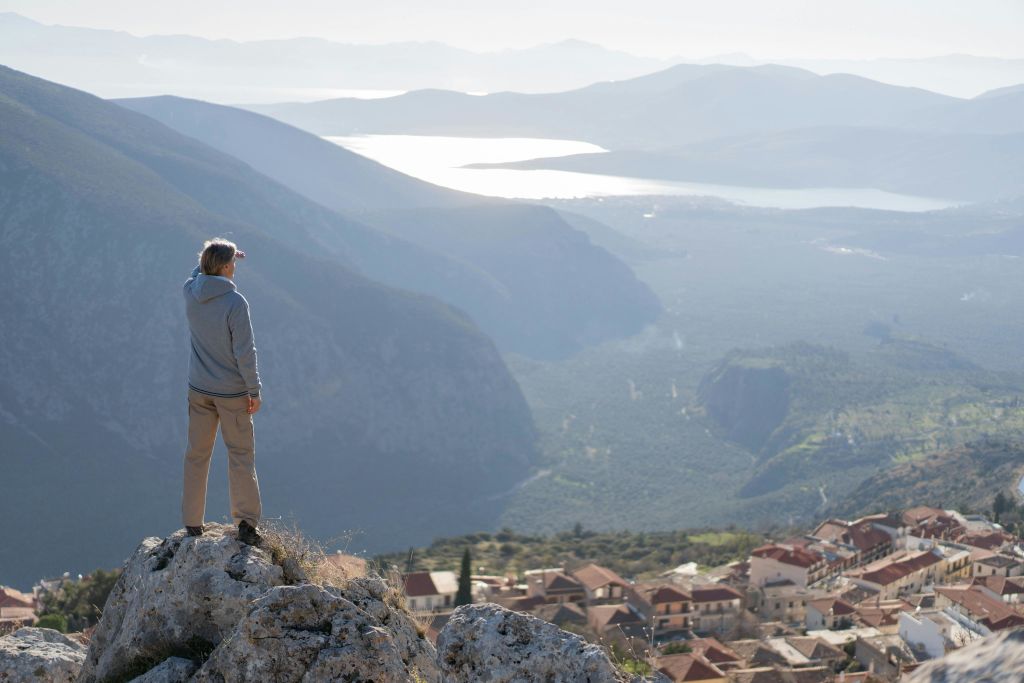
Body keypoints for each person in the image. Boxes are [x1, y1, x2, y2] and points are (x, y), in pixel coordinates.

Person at [181, 238, 263, 545]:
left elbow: (195, 275)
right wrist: (254, 389)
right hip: (232, 393)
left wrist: (212, 258)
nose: (236, 268)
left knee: (196, 455)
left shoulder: (190, 293)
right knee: (240, 455)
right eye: (233, 264)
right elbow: (245, 352)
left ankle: (192, 523)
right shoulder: (235, 303)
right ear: (226, 267)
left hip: (199, 388)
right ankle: (245, 523)